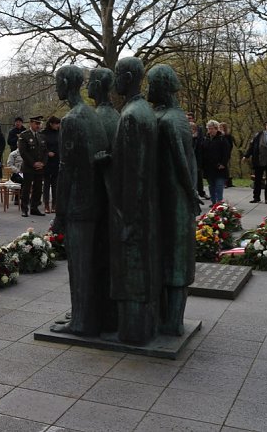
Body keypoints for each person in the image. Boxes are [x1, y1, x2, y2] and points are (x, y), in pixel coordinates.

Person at [50, 65, 114, 337]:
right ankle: (90, 317)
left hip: (79, 203)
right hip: (96, 201)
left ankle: (82, 322)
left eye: (57, 82)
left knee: (79, 266)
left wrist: (59, 212)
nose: (56, 87)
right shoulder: (92, 114)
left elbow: (67, 170)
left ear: (66, 83)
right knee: (91, 263)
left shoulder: (73, 118)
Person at [147, 64, 200, 336]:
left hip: (175, 198)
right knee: (167, 256)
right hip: (165, 197)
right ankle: (165, 315)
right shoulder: (166, 114)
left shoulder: (171, 118)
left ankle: (174, 320)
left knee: (176, 259)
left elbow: (182, 161)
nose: (149, 90)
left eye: (152, 84)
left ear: (163, 87)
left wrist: (191, 195)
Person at [110, 57, 160, 345]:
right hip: (145, 206)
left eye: (118, 74)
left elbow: (133, 174)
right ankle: (141, 328)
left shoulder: (131, 115)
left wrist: (128, 219)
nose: (116, 80)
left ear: (127, 77)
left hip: (133, 210)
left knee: (133, 274)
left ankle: (133, 332)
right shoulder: (143, 110)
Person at [17, 116, 47, 217]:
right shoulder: (24, 135)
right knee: (26, 188)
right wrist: (33, 163)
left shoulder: (41, 136)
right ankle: (24, 209)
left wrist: (43, 163)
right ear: (31, 123)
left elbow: (45, 151)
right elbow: (23, 152)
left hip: (40, 167)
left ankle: (34, 207)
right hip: (29, 167)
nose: (38, 126)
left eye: (39, 124)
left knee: (38, 189)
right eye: (36, 123)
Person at [200, 120, 230, 205]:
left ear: (216, 129)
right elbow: (202, 152)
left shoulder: (222, 139)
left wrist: (223, 164)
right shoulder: (205, 139)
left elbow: (226, 153)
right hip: (208, 167)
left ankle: (219, 203)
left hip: (219, 167)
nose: (210, 131)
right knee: (211, 186)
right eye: (208, 129)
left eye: (212, 129)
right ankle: (213, 202)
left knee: (219, 186)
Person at [42, 116, 60, 213]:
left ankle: (54, 204)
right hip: (47, 161)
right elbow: (41, 146)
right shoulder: (43, 133)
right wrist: (47, 152)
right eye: (56, 123)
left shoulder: (60, 133)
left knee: (55, 184)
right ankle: (46, 204)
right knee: (46, 184)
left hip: (57, 160)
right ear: (51, 124)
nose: (58, 125)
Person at [219, 122, 236, 188]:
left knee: (225, 167)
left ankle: (226, 182)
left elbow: (230, 145)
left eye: (221, 127)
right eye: (219, 127)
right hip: (219, 154)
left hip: (226, 154)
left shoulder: (228, 136)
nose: (220, 129)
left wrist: (227, 153)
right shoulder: (218, 135)